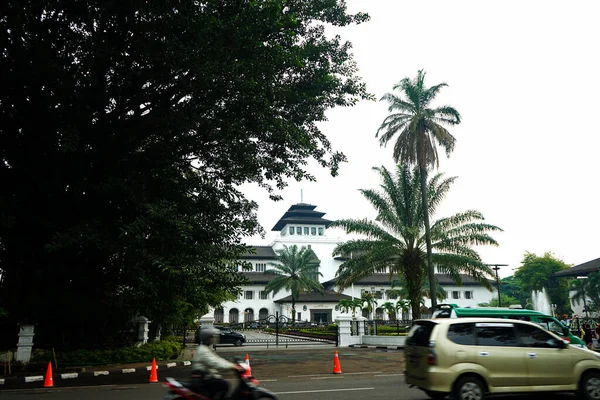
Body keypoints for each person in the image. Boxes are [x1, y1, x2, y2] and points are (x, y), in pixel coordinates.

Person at [191, 327, 243, 399]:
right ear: (207, 338)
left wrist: (232, 365)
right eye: (211, 337)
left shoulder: (207, 348)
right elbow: (215, 362)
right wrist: (232, 366)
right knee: (224, 385)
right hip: (202, 380)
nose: (213, 339)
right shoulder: (203, 350)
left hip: (206, 377)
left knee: (221, 385)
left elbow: (218, 360)